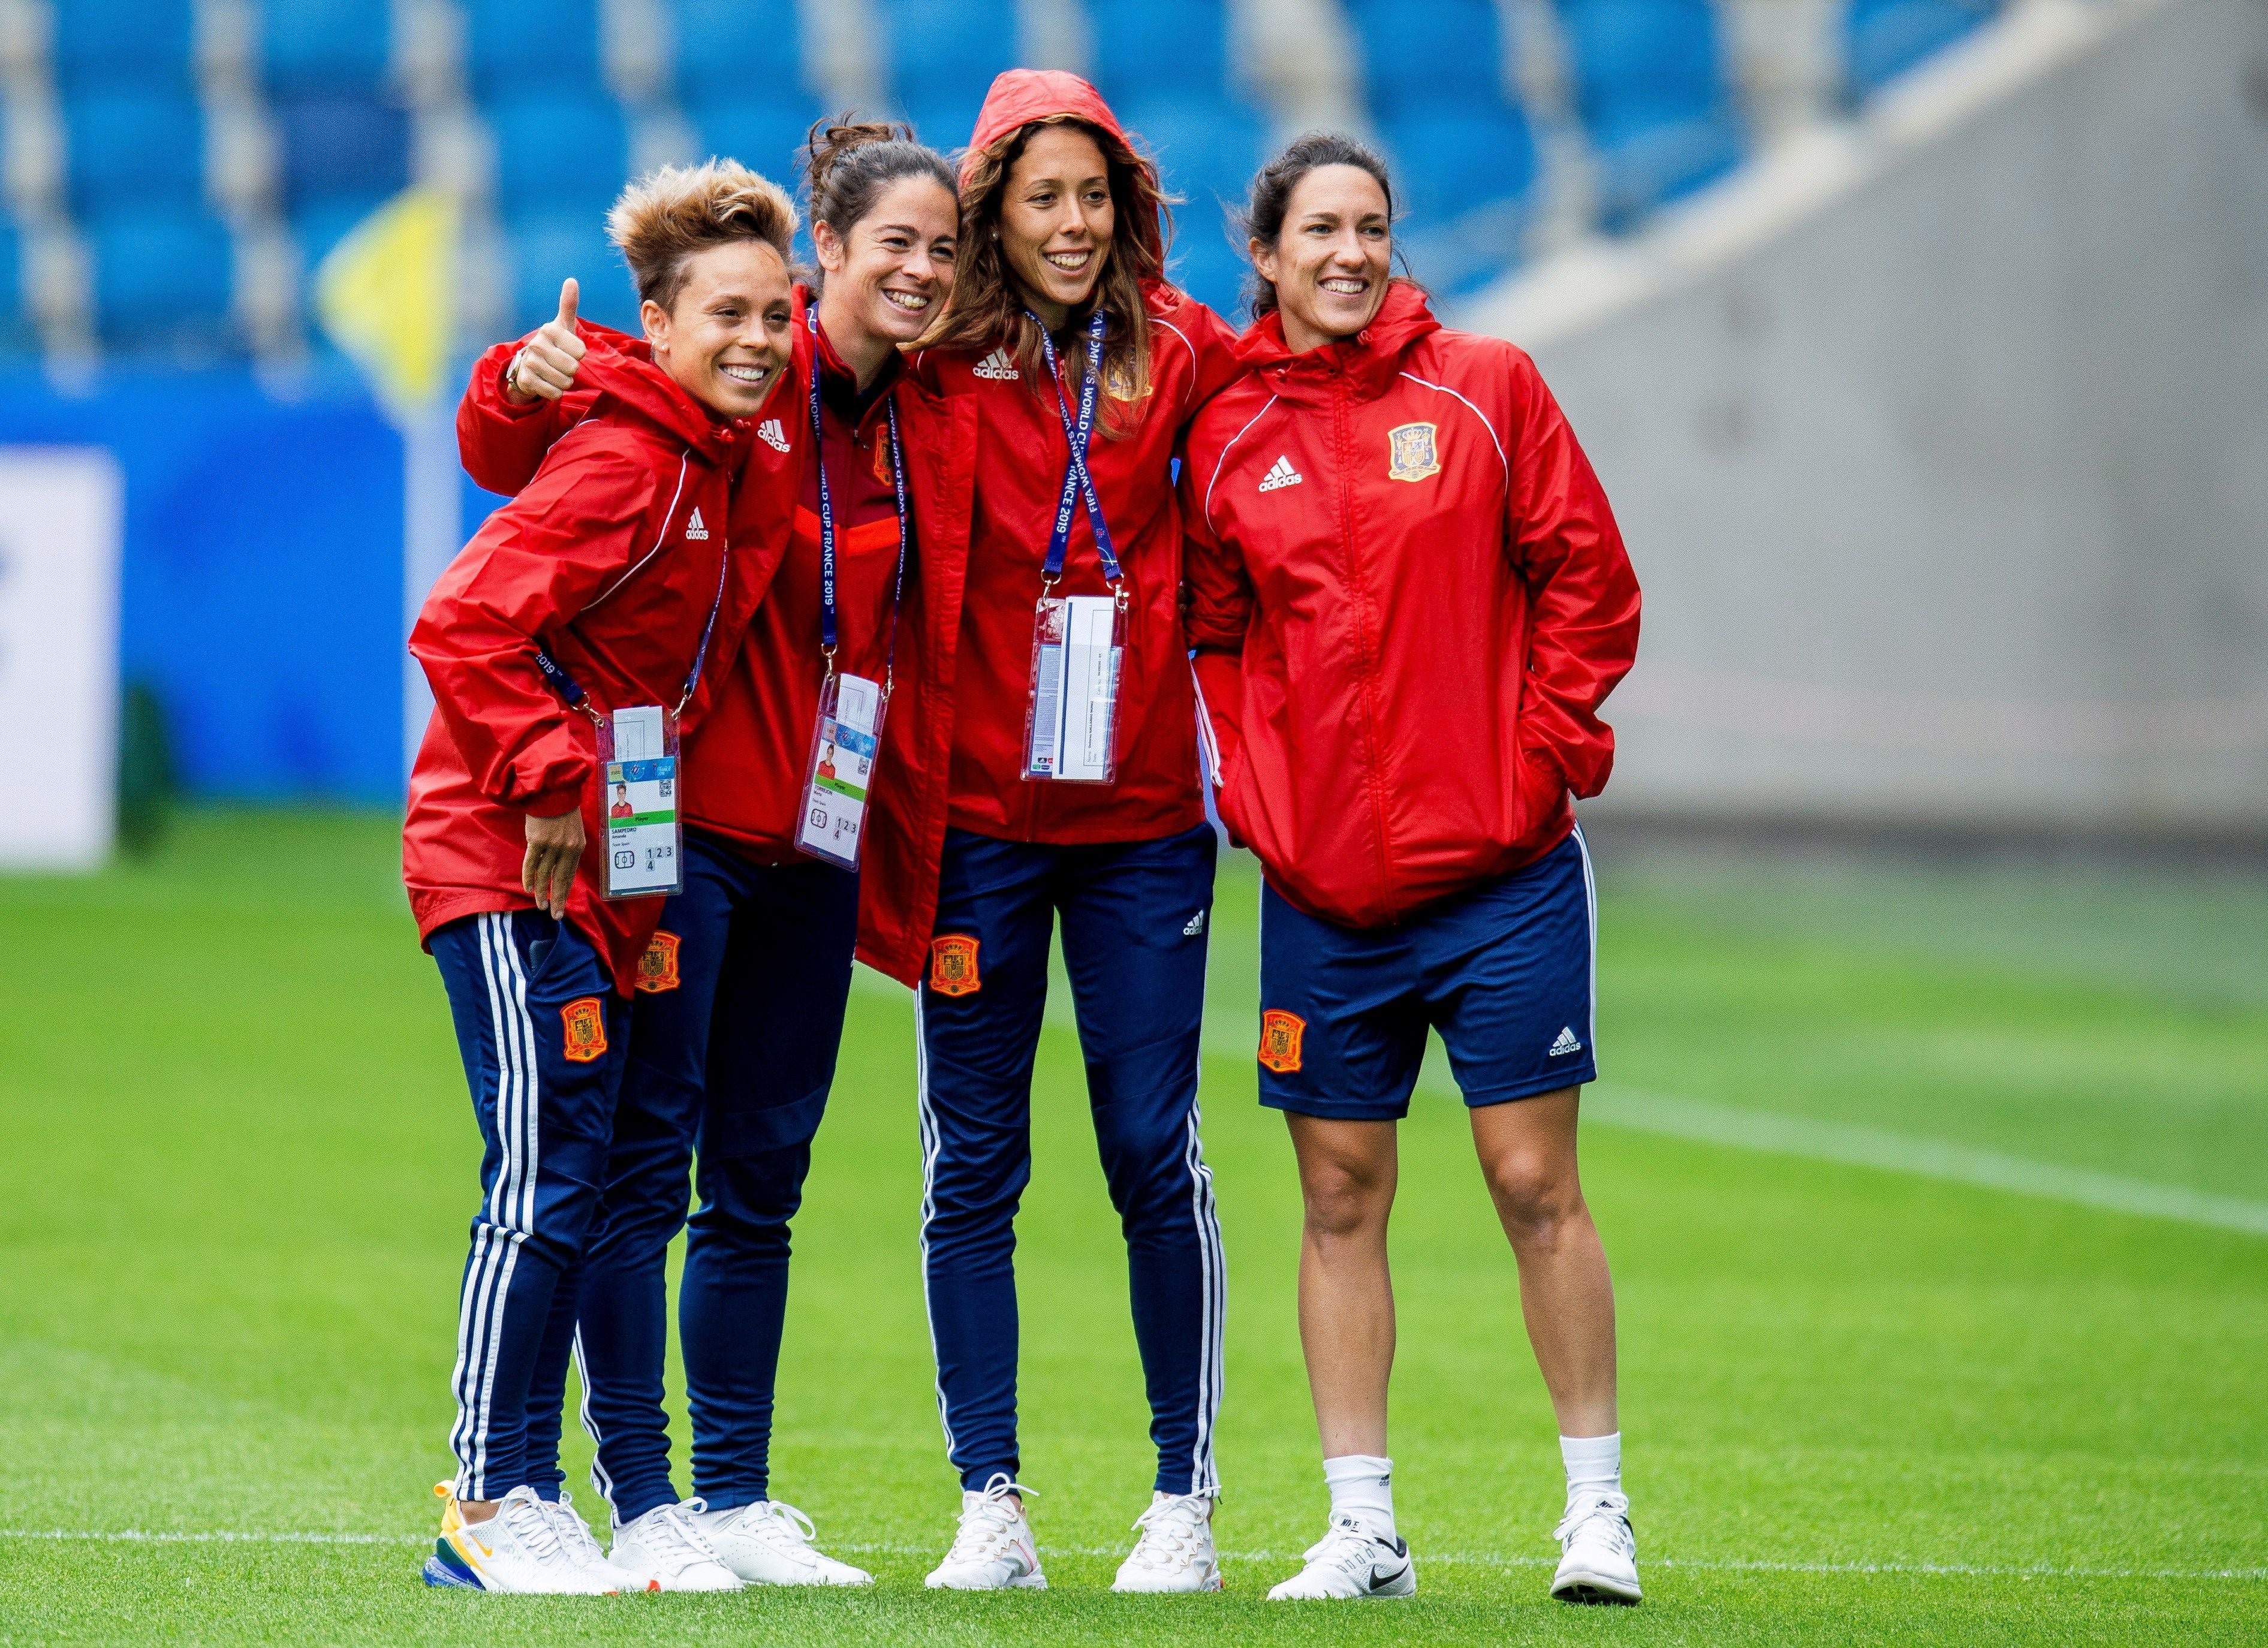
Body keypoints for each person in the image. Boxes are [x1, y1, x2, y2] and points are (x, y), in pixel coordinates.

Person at [456, 121, 971, 1589]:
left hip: (821, 831)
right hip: (671, 827)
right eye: (896, 246)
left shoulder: (919, 415)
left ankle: (735, 1494)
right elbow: (529, 440)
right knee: (635, 1160)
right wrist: (512, 373)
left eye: (944, 249)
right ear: (829, 261)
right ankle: (646, 1493)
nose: (922, 272)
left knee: (762, 1172)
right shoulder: (736, 376)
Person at [1179, 134, 1644, 1604]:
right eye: (1317, 229)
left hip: (1499, 874)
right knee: (1334, 1196)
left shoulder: (1487, 387)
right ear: (1263, 254)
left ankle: (1595, 1511)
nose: (1347, 253)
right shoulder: (1227, 429)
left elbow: (1586, 573)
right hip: (1323, 893)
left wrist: (1540, 754)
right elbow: (1210, 631)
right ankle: (1361, 1527)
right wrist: (1257, 792)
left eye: (1369, 226)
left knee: (1529, 1184)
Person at [404, 157, 797, 1593]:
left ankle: (536, 1491)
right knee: (544, 1172)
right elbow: (461, 628)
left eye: (776, 313)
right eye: (728, 315)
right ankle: (485, 1499)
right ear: (657, 321)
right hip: (506, 861)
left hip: (602, 873)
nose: (757, 339)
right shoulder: (637, 457)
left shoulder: (711, 455)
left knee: (592, 1167)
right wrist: (554, 779)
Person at [901, 70, 1246, 1595]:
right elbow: (760, 345)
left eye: (1091, 194)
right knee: (974, 1167)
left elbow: (1323, 369)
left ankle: (1181, 1495)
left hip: (1142, 832)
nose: (1070, 222)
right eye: (1040, 195)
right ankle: (991, 1499)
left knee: (1144, 1148)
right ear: (991, 209)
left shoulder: (1175, 351)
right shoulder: (934, 356)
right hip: (974, 827)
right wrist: (525, 377)